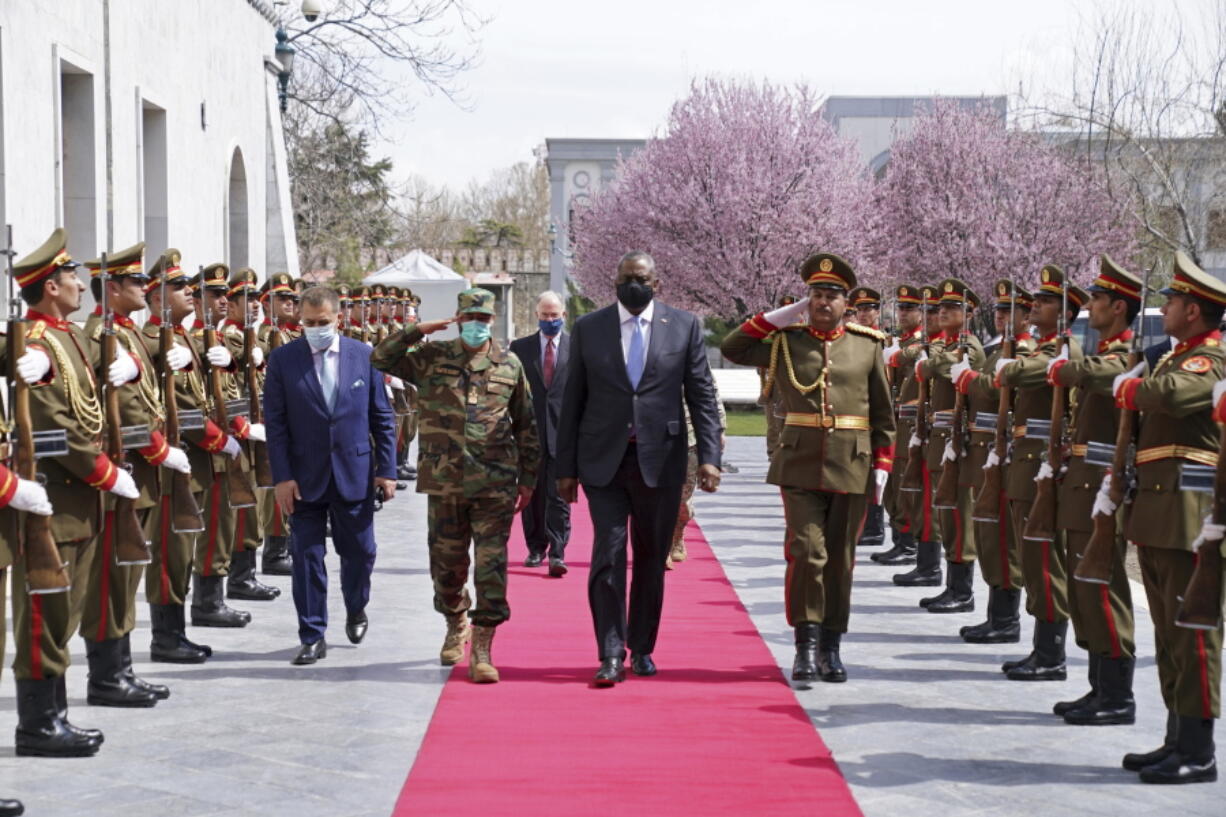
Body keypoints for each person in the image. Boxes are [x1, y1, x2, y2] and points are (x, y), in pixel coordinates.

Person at [722, 252, 893, 684]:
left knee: (840, 559)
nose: (822, 302)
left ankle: (832, 646)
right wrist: (783, 315)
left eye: (831, 296)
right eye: (816, 294)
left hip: (852, 464)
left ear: (846, 302)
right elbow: (733, 347)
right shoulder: (786, 340)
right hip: (799, 462)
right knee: (805, 552)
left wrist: (883, 464)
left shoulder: (867, 344)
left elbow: (884, 414)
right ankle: (806, 644)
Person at [557, 252, 721, 687]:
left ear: (657, 284)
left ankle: (643, 647)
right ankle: (610, 652)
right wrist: (565, 468)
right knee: (607, 556)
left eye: (642, 279)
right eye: (626, 278)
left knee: (651, 558)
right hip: (604, 463)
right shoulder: (590, 329)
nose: (634, 285)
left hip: (661, 462)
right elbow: (571, 401)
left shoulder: (683, 327)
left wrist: (709, 456)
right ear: (614, 281)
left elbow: (701, 395)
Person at [372, 287, 539, 684]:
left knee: (490, 567)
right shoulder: (431, 358)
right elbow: (379, 358)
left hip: (494, 484)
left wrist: (529, 479)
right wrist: (415, 330)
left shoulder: (509, 364)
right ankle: (455, 618)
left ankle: (483, 645)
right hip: (444, 483)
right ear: (457, 319)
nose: (477, 326)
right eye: (470, 319)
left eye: (483, 320)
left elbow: (527, 425)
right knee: (446, 568)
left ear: (491, 321)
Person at [1114, 251, 1224, 784]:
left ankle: (1199, 750)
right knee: (1168, 633)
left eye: (1175, 301)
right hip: (1160, 512)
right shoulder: (1174, 356)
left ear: (1196, 311)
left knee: (1193, 635)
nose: (1167, 308)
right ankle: (1175, 739)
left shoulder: (1209, 360)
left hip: (1189, 515)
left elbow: (1173, 398)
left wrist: (1128, 387)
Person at [9, 227, 119, 755]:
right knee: (42, 614)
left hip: (79, 501)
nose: (79, 283)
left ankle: (55, 715)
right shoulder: (34, 342)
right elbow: (53, 425)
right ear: (50, 286)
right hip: (53, 497)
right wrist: (103, 472)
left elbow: (86, 402)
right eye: (71, 276)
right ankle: (37, 724)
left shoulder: (67, 337)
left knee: (65, 611)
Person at [264, 286, 397, 665]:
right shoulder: (283, 360)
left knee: (360, 553)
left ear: (338, 319)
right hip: (303, 478)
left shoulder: (363, 356)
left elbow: (382, 417)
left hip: (354, 472)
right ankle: (312, 633)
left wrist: (386, 471)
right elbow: (275, 424)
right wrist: (282, 477)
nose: (316, 329)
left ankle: (357, 606)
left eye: (323, 323)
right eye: (309, 323)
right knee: (306, 557)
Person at [1045, 256, 1141, 725]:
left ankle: (1118, 694)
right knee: (1084, 586)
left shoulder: (1127, 354)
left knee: (1103, 585)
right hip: (1081, 483)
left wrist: (1070, 364)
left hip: (1102, 488)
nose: (1091, 307)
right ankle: (1098, 685)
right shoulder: (1104, 349)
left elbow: (1098, 375)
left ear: (1119, 308)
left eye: (1098, 300)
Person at [996, 266, 1087, 681]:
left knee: (1045, 560)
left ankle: (1051, 654)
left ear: (1066, 313)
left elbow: (1013, 374)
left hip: (1043, 467)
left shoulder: (1062, 353)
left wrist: (1014, 359)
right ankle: (1041, 647)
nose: (1036, 306)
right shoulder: (1040, 348)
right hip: (1026, 462)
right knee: (1032, 558)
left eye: (1047, 301)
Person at [954, 280, 1034, 644]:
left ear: (1027, 315)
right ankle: (996, 615)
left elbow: (994, 387)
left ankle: (1006, 620)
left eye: (1010, 311)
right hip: (988, 452)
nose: (1002, 316)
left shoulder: (1026, 350)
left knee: (1003, 540)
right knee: (989, 535)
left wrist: (970, 379)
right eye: (999, 310)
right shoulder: (999, 348)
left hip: (1008, 456)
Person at [913, 279, 985, 615]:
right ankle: (952, 586)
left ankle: (963, 590)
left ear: (969, 314)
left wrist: (932, 359)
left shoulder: (968, 346)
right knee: (947, 515)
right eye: (941, 307)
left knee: (959, 516)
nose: (942, 312)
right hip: (941, 439)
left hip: (959, 444)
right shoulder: (949, 345)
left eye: (952, 307)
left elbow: (932, 367)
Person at [510, 291, 572, 577]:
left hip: (564, 433)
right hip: (530, 434)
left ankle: (558, 553)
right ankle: (536, 548)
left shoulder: (576, 347)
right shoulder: (520, 348)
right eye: (545, 315)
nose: (550, 320)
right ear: (537, 315)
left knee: (559, 495)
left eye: (554, 315)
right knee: (531, 495)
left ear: (564, 316)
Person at [872, 284, 922, 566]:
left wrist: (899, 353)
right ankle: (899, 540)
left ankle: (908, 544)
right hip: (893, 420)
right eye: (901, 307)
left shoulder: (916, 344)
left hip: (909, 423)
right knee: (892, 484)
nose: (903, 313)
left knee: (903, 484)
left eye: (909, 308)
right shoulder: (898, 342)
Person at [667, 382, 727, 569]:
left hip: (688, 436)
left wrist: (719, 429)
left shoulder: (690, 353)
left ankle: (678, 532)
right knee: (655, 498)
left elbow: (710, 392)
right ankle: (662, 547)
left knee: (682, 500)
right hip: (653, 436)